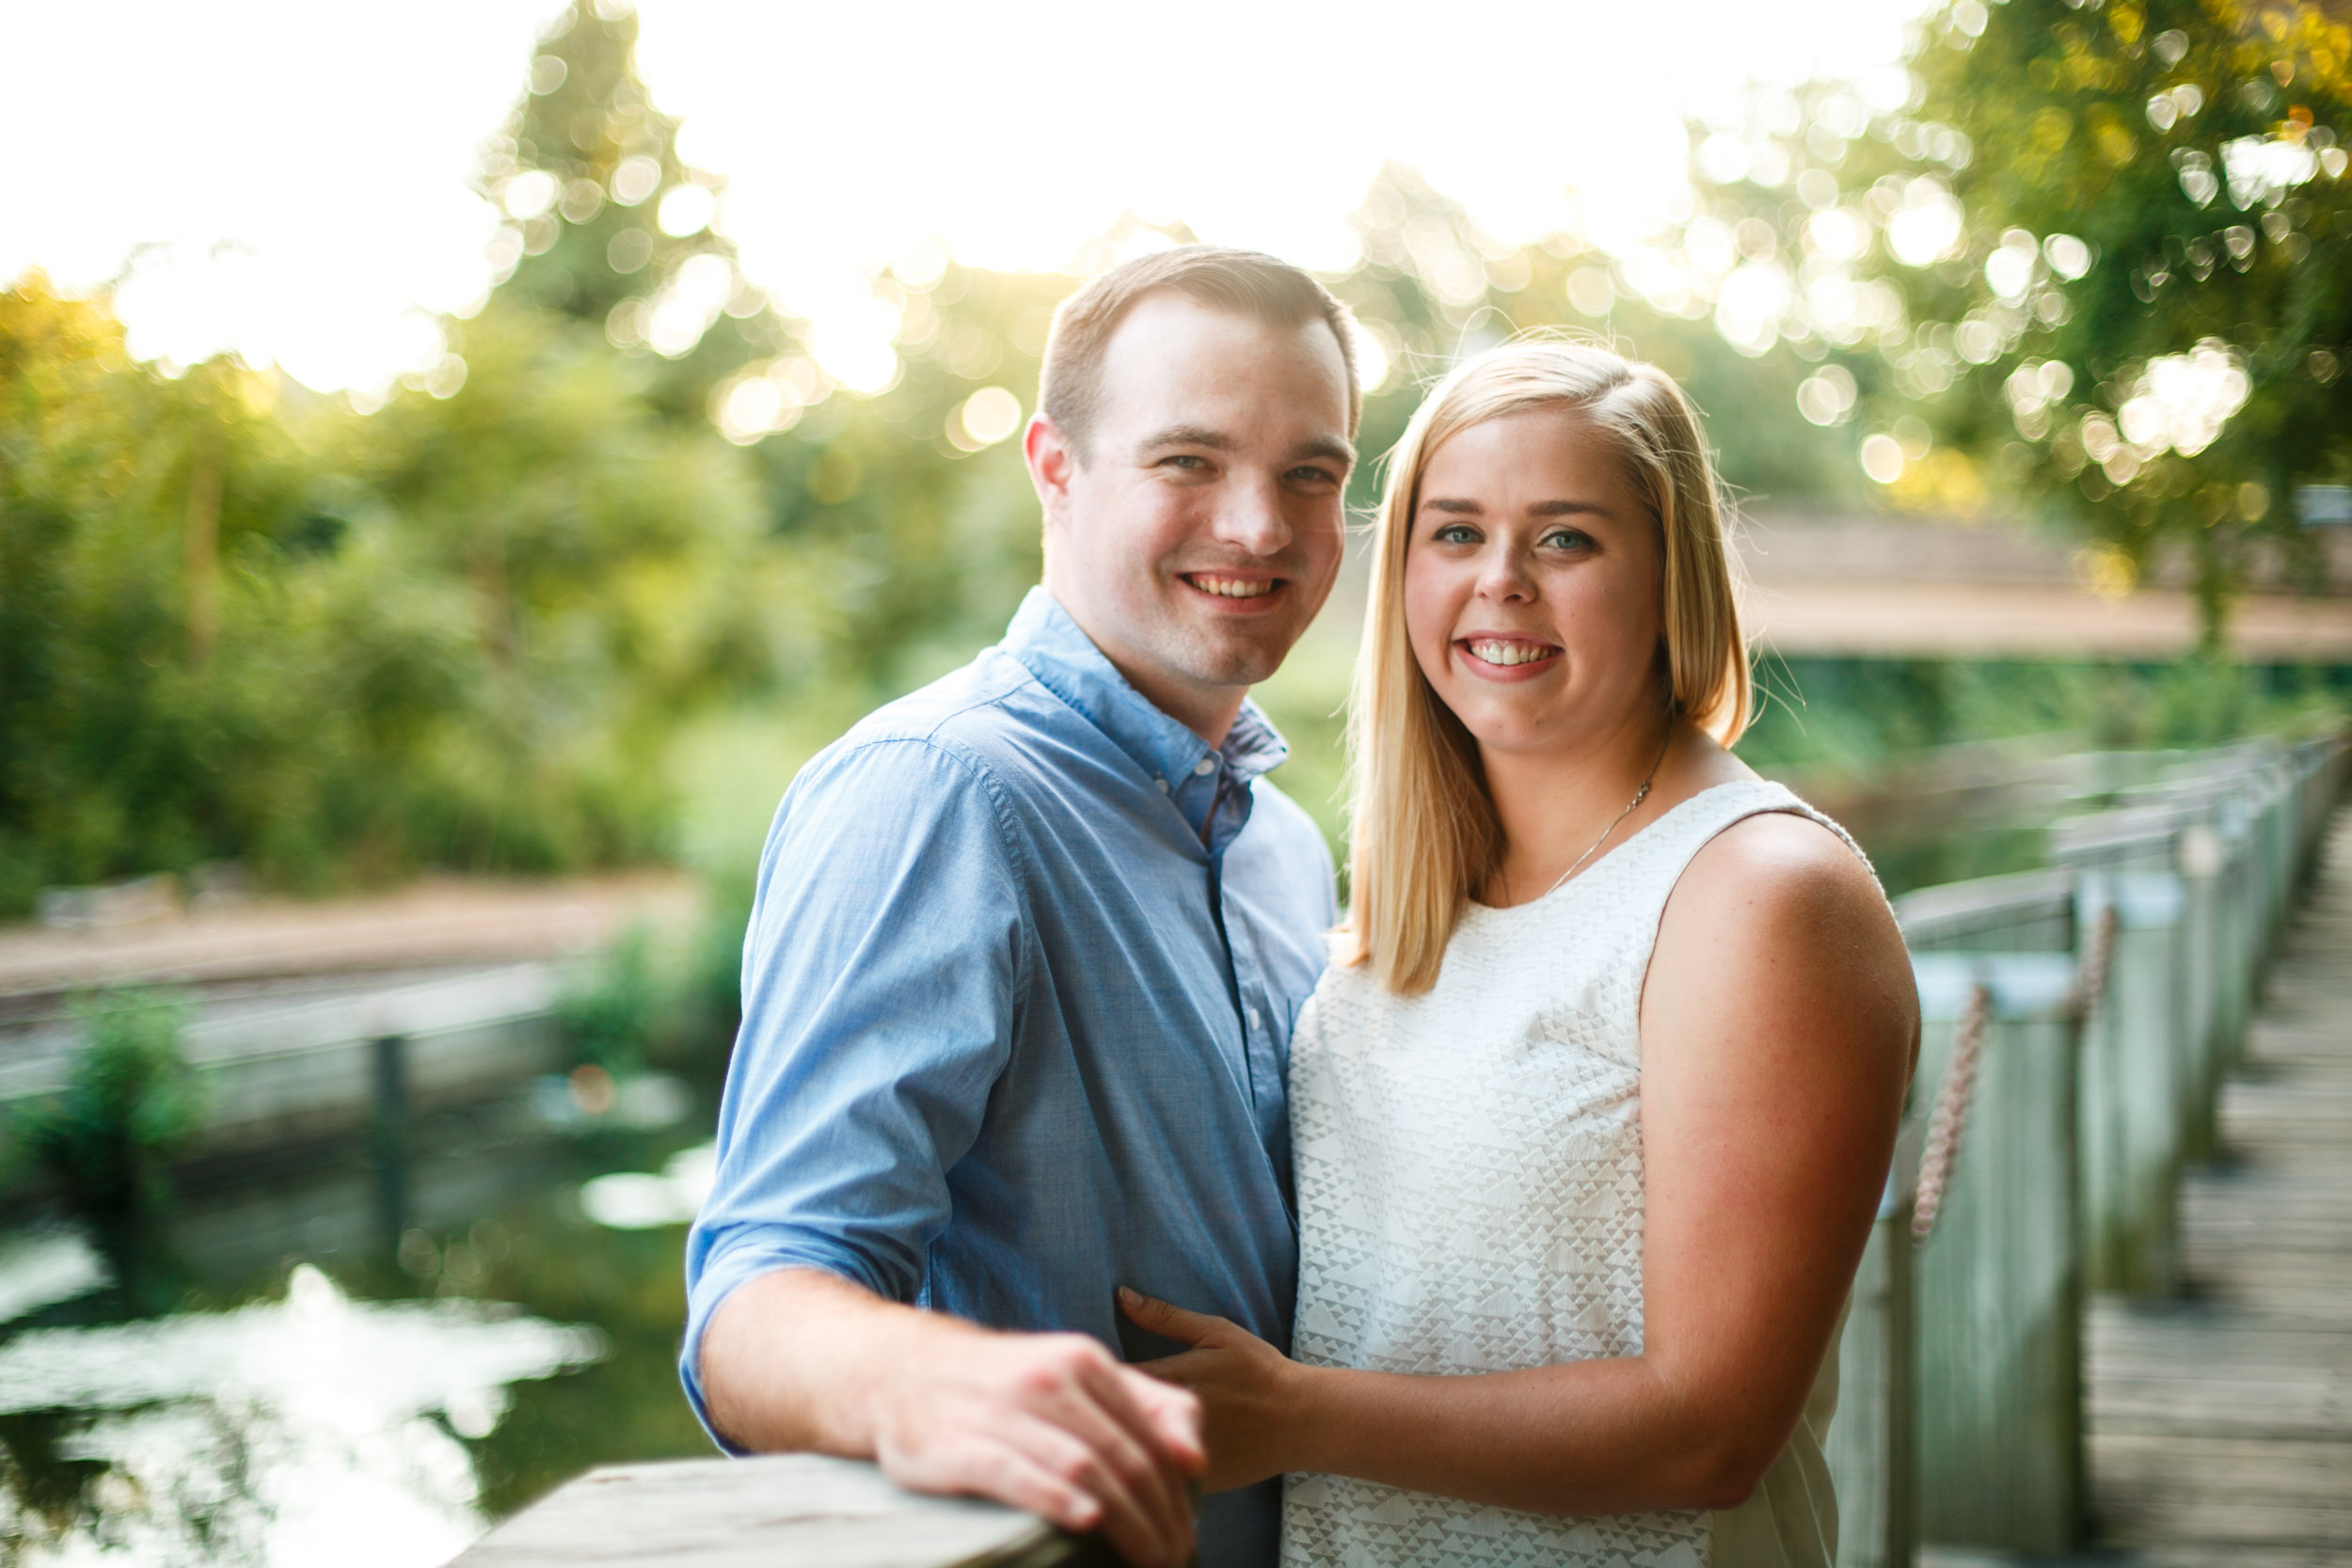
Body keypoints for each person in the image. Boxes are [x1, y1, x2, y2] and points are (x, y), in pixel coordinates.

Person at [1119, 339, 1920, 1568]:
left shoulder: (1761, 897)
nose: (1501, 581)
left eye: (1565, 539)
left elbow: (1710, 1431)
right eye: (1454, 533)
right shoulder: (1419, 889)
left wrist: (1291, 1416)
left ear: (1670, 579)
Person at [682, 245, 1365, 1568]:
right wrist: (928, 1385)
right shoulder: (934, 793)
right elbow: (754, 1301)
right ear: (1055, 468)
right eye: (1189, 462)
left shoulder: (1281, 843)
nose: (1260, 526)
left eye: (1311, 474)